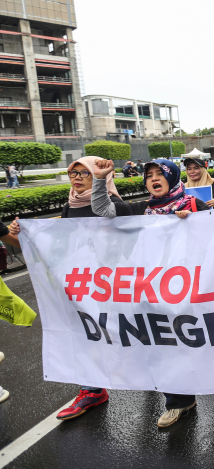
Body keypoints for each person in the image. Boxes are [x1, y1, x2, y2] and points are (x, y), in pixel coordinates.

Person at [90, 157, 210, 428]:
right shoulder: (141, 208)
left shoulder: (192, 205)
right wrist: (100, 179)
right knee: (161, 345)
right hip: (150, 291)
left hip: (187, 291)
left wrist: (194, 222)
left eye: (160, 173)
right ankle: (179, 401)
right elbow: (102, 209)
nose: (154, 178)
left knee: (192, 342)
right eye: (149, 175)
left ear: (173, 176)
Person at [44, 157, 123, 420]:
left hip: (115, 285)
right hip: (83, 285)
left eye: (83, 173)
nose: (76, 177)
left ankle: (159, 382)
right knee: (86, 334)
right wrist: (24, 232)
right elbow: (63, 244)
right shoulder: (69, 207)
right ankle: (92, 390)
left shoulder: (115, 206)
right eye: (72, 173)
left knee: (127, 333)